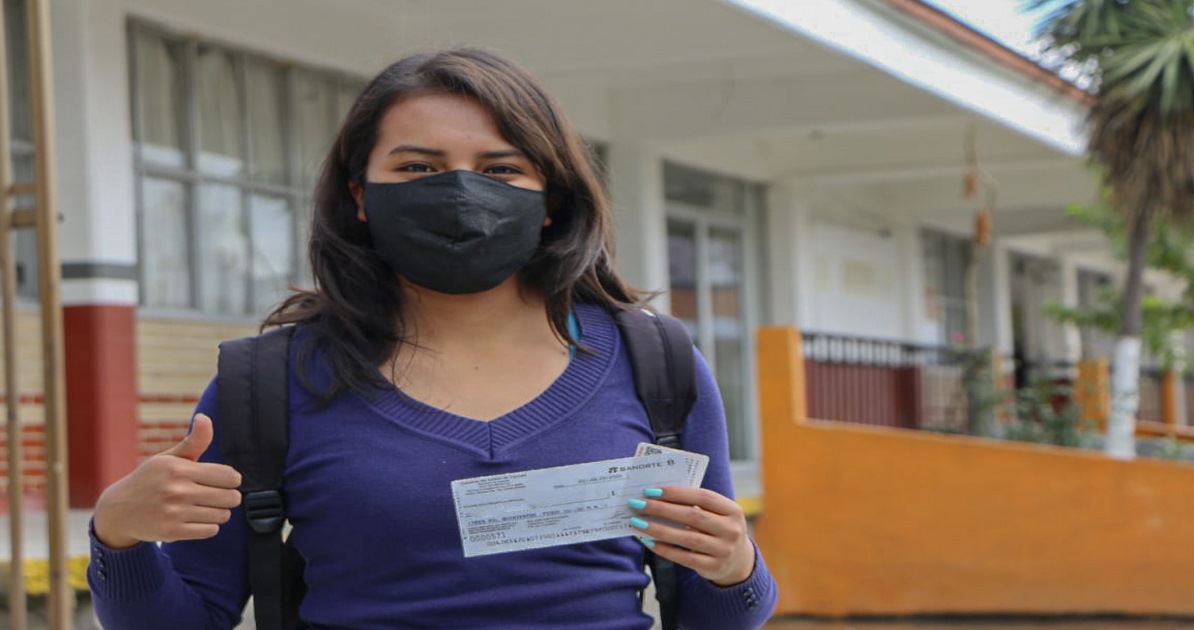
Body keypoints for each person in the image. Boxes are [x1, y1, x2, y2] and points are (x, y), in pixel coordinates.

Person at [87, 47, 778, 629]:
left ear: (551, 200)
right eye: (417, 168)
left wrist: (734, 568)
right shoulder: (268, 383)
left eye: (500, 169)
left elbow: (718, 611)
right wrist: (119, 534)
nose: (458, 194)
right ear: (360, 194)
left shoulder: (655, 366)